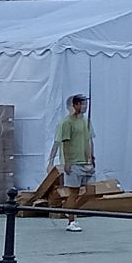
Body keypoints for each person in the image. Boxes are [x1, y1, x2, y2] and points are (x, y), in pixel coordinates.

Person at [46, 94, 95, 233]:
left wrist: (92, 158)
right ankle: (71, 221)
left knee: (91, 191)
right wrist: (66, 162)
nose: (84, 107)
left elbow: (88, 141)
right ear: (75, 105)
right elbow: (64, 143)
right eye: (82, 104)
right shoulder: (66, 123)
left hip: (86, 162)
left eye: (85, 104)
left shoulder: (86, 121)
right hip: (73, 163)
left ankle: (68, 208)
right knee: (73, 192)